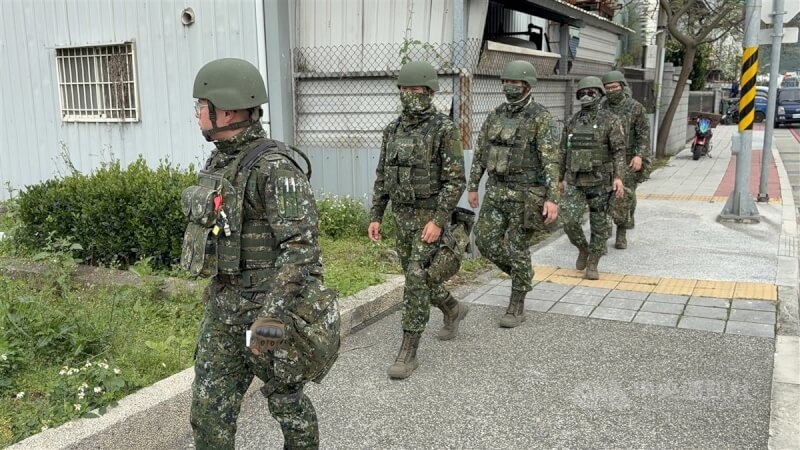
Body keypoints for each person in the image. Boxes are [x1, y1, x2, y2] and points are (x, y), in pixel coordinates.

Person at [181, 58, 340, 450]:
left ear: (227, 108)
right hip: (224, 311)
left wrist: (271, 319)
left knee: (287, 403)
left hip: (269, 313)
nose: (198, 113)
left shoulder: (275, 168)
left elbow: (300, 247)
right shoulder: (222, 160)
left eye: (202, 105)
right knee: (208, 412)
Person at [368, 60, 467, 379]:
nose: (410, 95)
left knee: (415, 278)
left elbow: (455, 180)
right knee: (419, 279)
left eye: (417, 90)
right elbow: (383, 175)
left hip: (429, 220)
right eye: (404, 90)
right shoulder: (392, 130)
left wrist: (439, 220)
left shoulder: (443, 129)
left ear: (429, 92)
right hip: (402, 218)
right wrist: (376, 215)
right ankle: (452, 308)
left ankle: (408, 351)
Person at [467, 60, 559, 328]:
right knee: (484, 239)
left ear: (528, 85)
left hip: (525, 193)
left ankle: (516, 303)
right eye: (506, 83)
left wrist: (552, 197)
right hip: (496, 190)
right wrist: (473, 185)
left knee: (518, 246)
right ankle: (523, 274)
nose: (509, 87)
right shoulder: (495, 115)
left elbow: (550, 160)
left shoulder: (541, 118)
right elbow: (481, 152)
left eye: (515, 83)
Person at [558, 76, 626, 280]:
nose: (586, 96)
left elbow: (619, 151)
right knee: (568, 220)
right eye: (582, 93)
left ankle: (594, 261)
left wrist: (619, 177)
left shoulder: (610, 120)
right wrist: (557, 178)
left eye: (591, 93)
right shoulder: (572, 121)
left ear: (599, 94)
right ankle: (583, 248)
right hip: (575, 181)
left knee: (600, 225)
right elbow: (562, 151)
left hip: (600, 182)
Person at [600, 70, 651, 249]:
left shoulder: (635, 107)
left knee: (624, 194)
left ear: (622, 86)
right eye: (608, 88)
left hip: (629, 157)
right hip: (607, 158)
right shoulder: (602, 107)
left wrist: (639, 155)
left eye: (614, 87)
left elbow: (643, 135)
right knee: (605, 194)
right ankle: (604, 230)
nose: (611, 91)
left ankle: (621, 232)